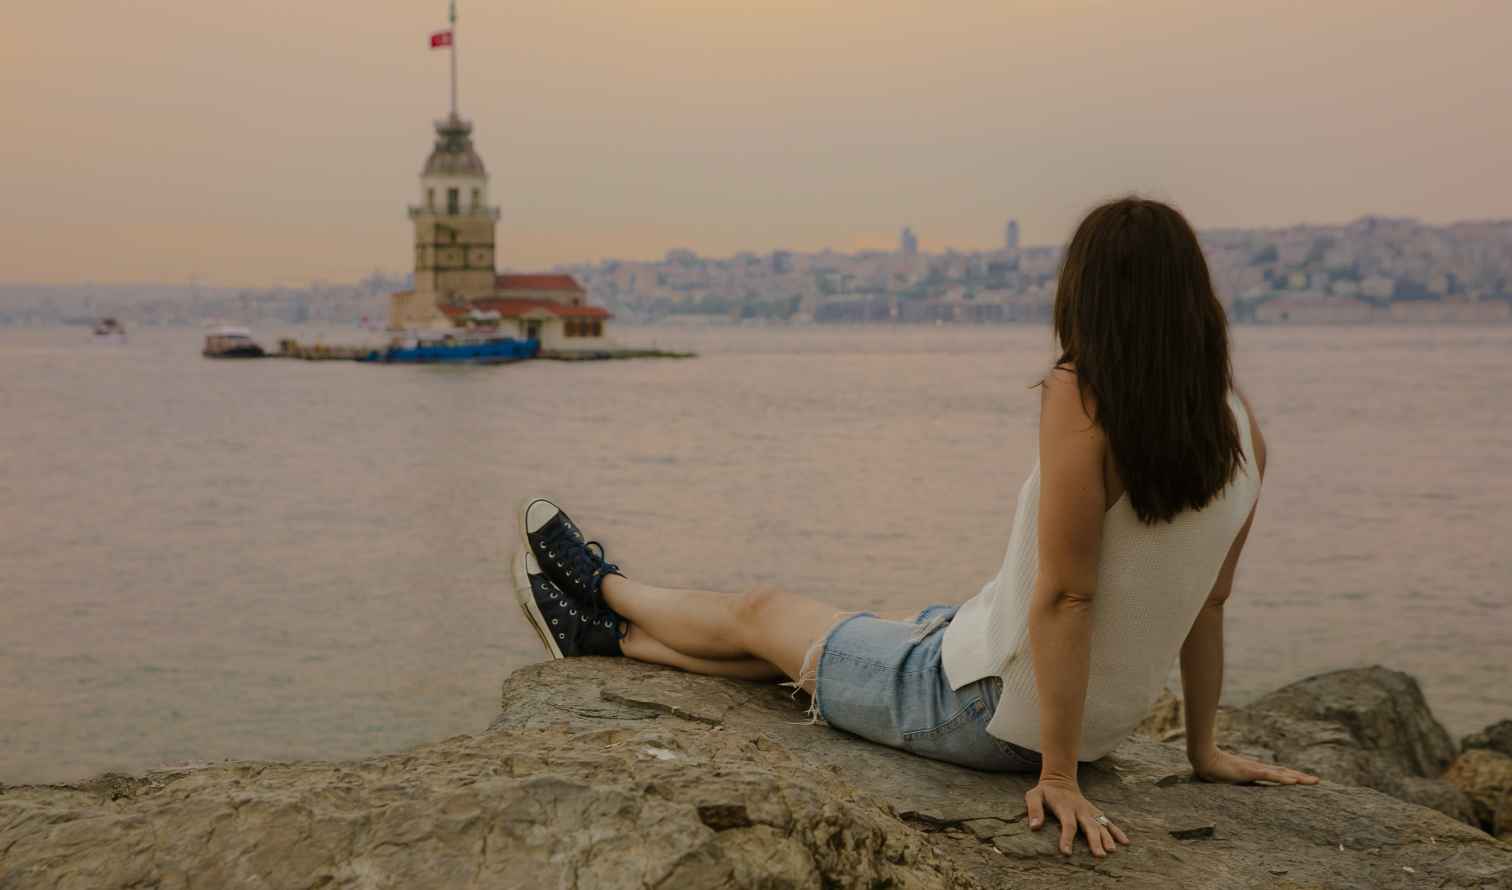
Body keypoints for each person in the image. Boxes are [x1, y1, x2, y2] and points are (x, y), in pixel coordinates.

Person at [510, 196, 1319, 860]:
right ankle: (605, 640)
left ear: (1089, 295)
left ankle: (604, 586)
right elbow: (1209, 606)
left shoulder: (1083, 394)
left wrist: (1059, 777)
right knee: (808, 646)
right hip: (1071, 711)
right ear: (1194, 301)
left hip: (986, 711)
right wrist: (1202, 752)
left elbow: (1070, 596)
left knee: (762, 611)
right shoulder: (1241, 431)